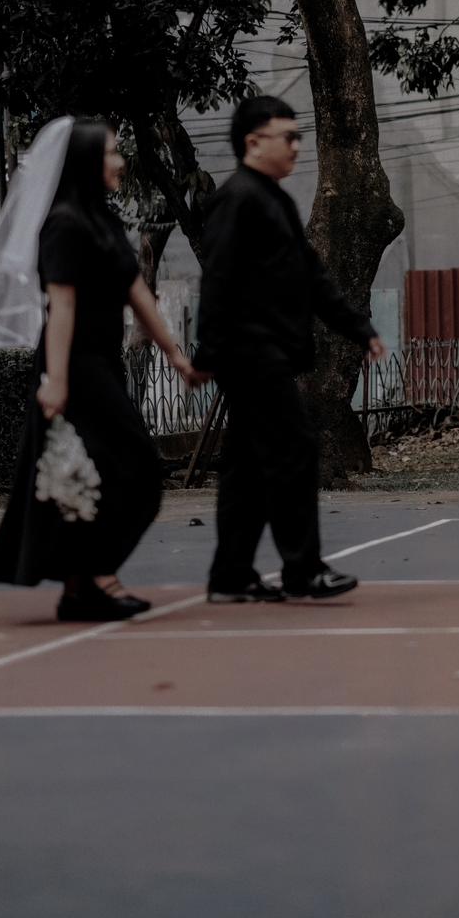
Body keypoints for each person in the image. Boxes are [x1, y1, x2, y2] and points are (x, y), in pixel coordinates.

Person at [0, 117, 197, 622]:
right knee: (131, 467)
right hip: (74, 368)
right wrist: (56, 380)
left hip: (104, 363)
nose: (120, 162)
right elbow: (62, 308)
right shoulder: (64, 225)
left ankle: (82, 586)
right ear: (85, 162)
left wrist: (176, 356)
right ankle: (97, 577)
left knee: (101, 474)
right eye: (111, 153)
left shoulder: (104, 222)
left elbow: (138, 294)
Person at [192, 95, 386, 603]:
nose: (298, 146)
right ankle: (303, 570)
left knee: (247, 467)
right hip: (251, 353)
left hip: (266, 351)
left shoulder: (274, 201)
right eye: (288, 137)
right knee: (295, 449)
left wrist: (358, 328)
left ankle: (231, 576)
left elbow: (312, 277)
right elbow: (218, 279)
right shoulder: (237, 199)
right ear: (254, 142)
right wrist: (209, 354)